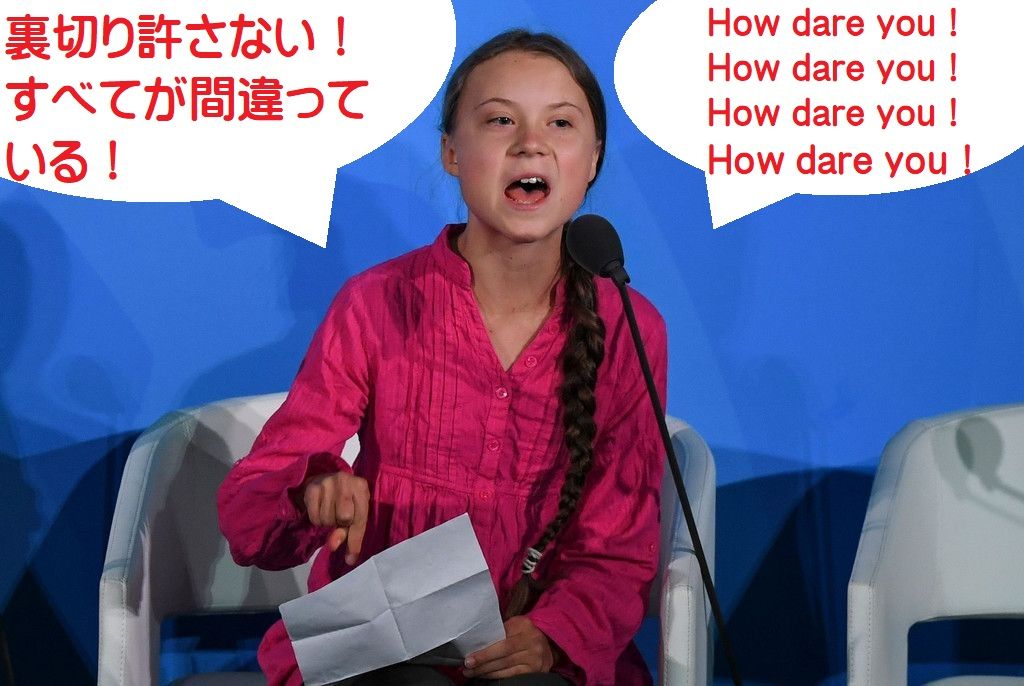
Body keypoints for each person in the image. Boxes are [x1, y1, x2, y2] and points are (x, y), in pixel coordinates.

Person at [217, 29, 667, 686]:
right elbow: (253, 503)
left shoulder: (630, 325)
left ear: (592, 158)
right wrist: (313, 491)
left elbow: (619, 540)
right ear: (452, 152)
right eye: (500, 120)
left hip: (532, 650)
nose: (530, 143)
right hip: (381, 642)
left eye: (561, 123)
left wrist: (551, 635)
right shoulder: (375, 302)